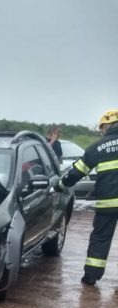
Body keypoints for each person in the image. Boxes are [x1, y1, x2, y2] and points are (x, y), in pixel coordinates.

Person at [58, 109, 118, 285]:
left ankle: (91, 277)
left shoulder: (97, 147)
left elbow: (76, 172)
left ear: (107, 126)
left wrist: (59, 185)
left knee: (100, 239)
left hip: (107, 203)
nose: (102, 131)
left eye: (102, 128)